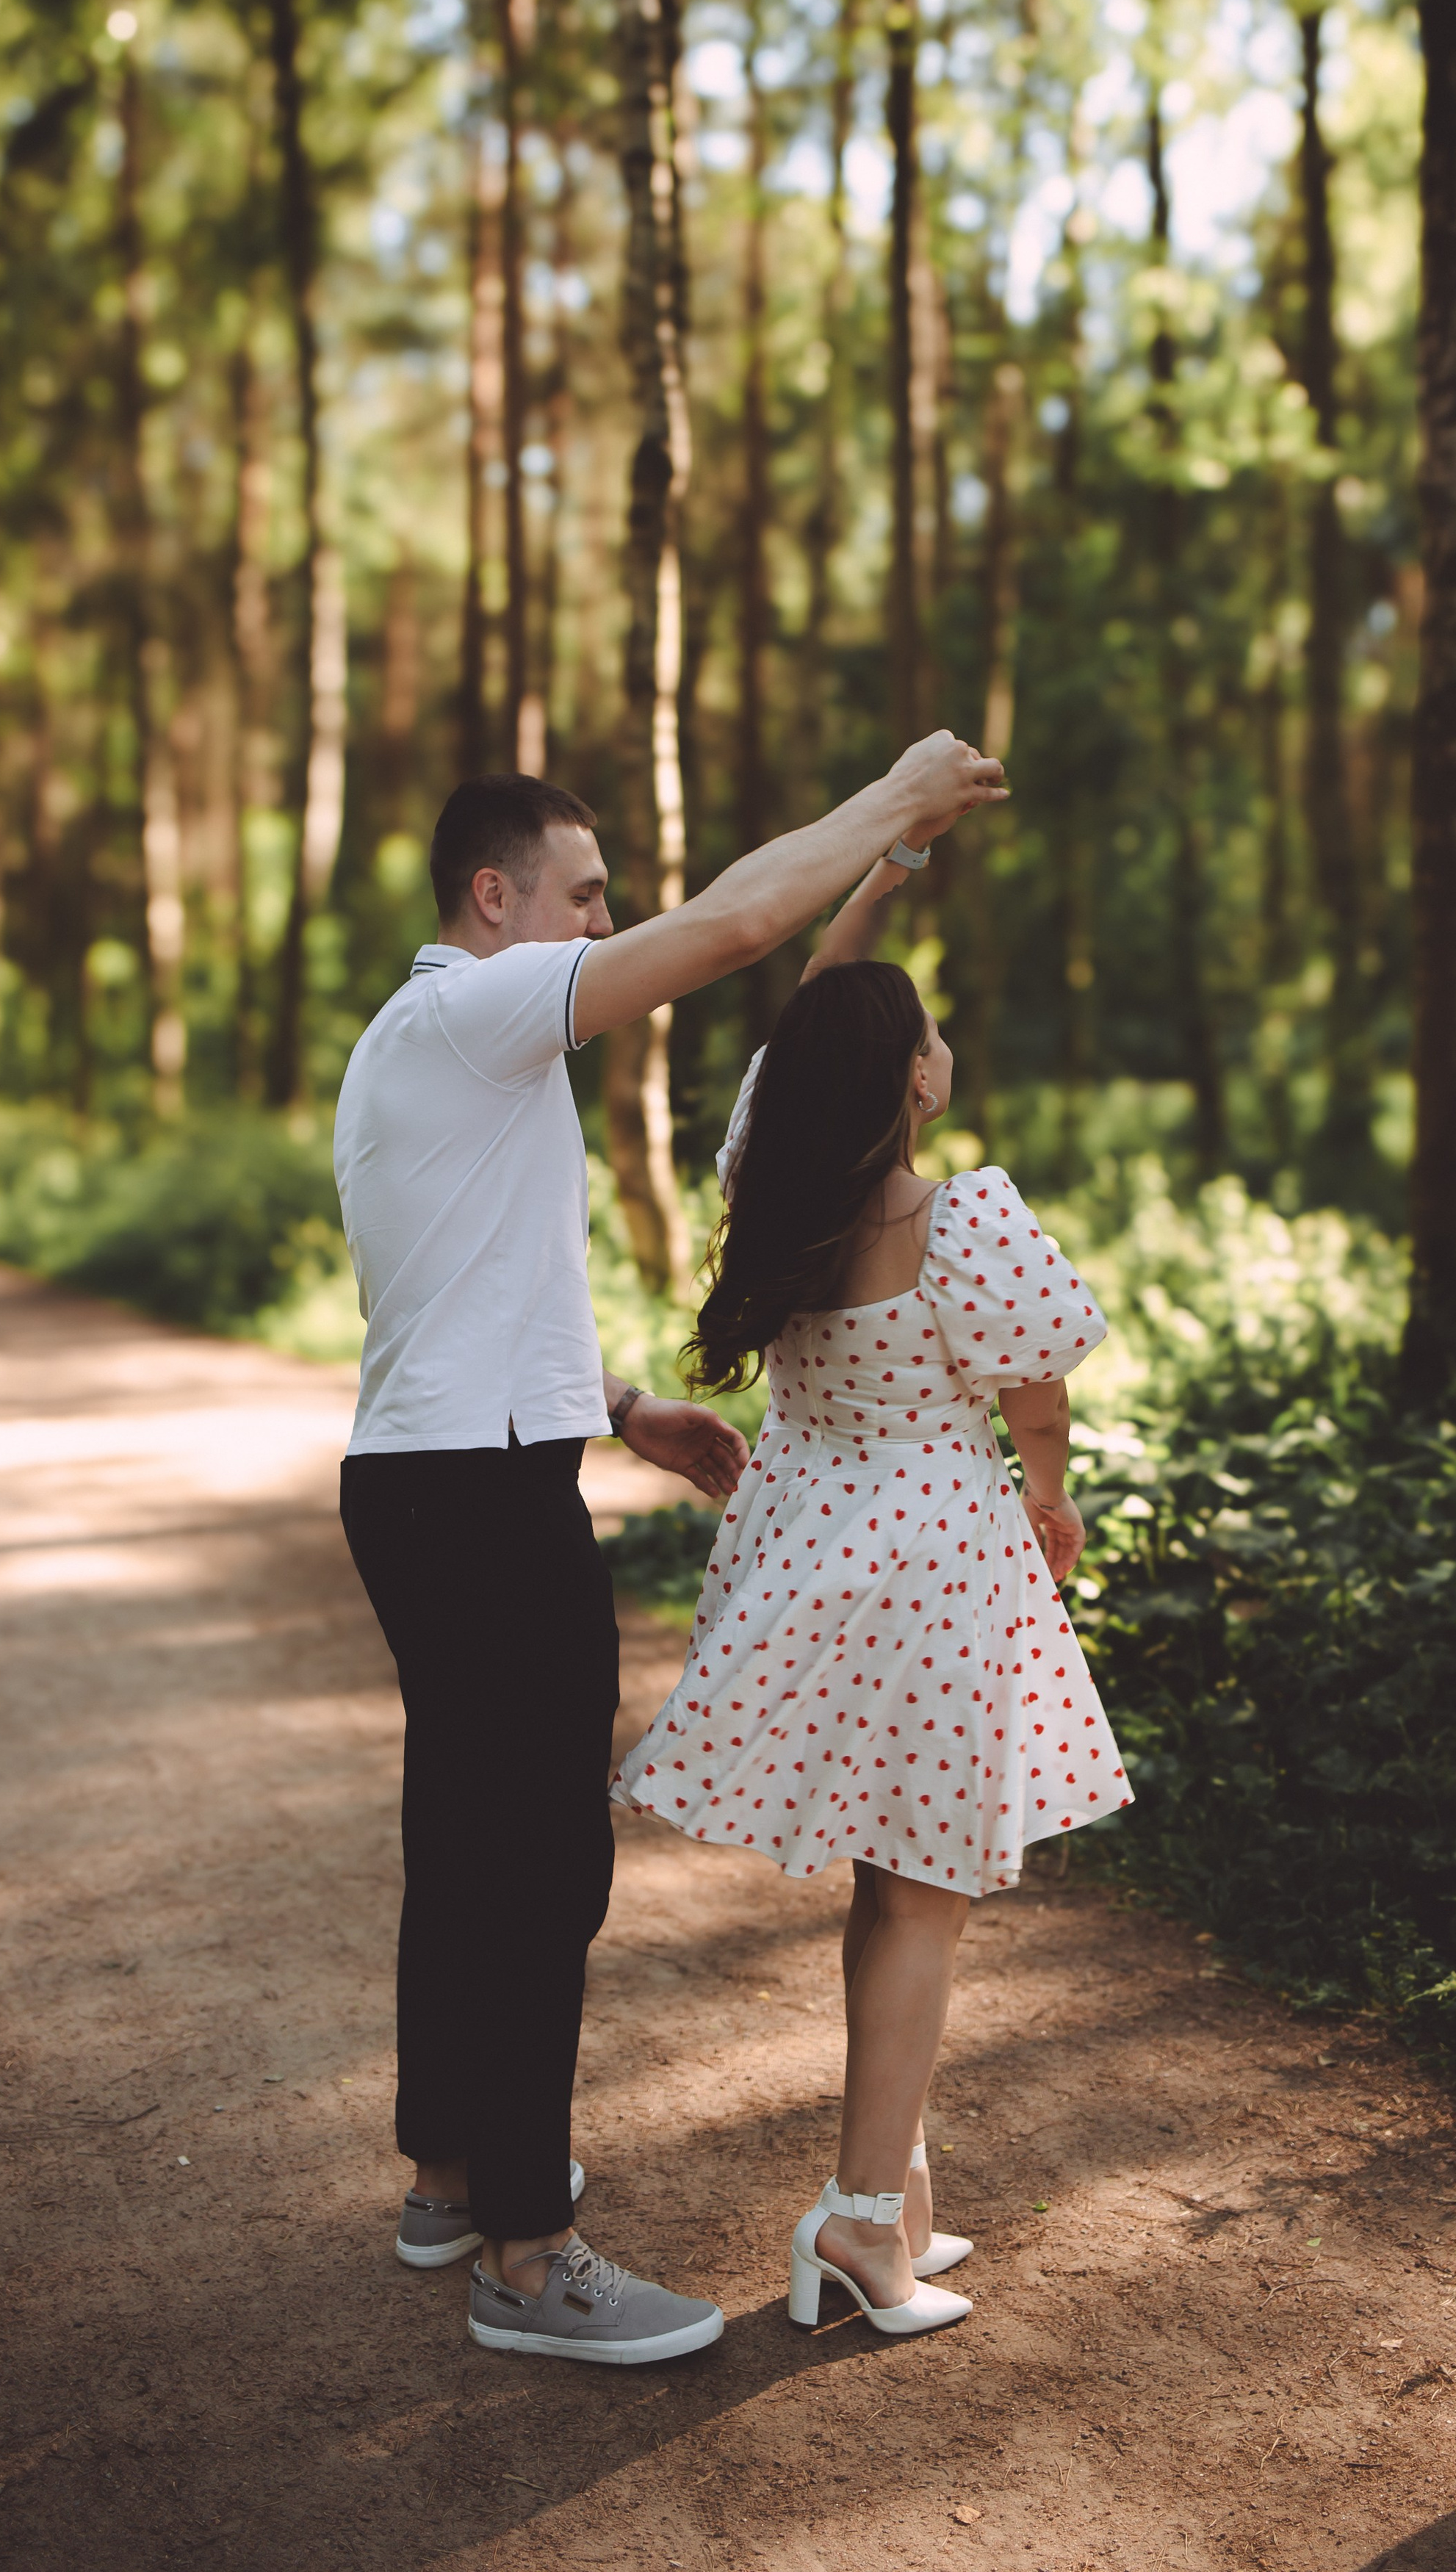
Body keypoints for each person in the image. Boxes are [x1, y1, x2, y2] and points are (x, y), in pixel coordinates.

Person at [334, 734, 1005, 2369]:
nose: (605, 925)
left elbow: (460, 1288)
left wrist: (618, 1406)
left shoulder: (441, 1044)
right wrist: (892, 808)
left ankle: (453, 2179)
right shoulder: (480, 1006)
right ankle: (528, 2256)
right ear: (493, 900)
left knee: (466, 1842)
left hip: (443, 1473)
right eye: (582, 898)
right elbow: (730, 930)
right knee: (537, 1865)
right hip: (477, 1503)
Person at [613, 837, 1133, 2340]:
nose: (941, 1044)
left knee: (892, 1882)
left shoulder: (771, 1190)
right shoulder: (957, 1219)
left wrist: (871, 896)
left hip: (809, 1545)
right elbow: (1035, 1387)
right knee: (925, 1894)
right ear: (914, 1077)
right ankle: (853, 2222)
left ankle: (890, 2188)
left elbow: (800, 1047)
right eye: (929, 1032)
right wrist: (1048, 1494)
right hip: (933, 1564)